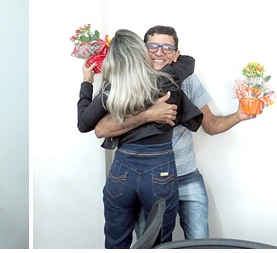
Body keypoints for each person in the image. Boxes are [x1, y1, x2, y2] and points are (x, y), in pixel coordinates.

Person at [95, 25, 256, 240]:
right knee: (149, 243)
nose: (159, 52)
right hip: (145, 180)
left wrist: (239, 115)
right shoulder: (128, 79)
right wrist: (148, 114)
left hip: (186, 176)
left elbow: (210, 125)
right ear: (142, 49)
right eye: (153, 46)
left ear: (176, 54)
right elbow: (101, 129)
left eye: (167, 48)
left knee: (200, 243)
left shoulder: (187, 79)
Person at [77, 29, 203, 249]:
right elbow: (188, 62)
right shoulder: (167, 80)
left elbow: (84, 124)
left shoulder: (113, 88)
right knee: (158, 244)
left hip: (122, 168)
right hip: (159, 168)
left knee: (116, 242)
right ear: (140, 52)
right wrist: (173, 55)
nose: (158, 53)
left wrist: (87, 81)